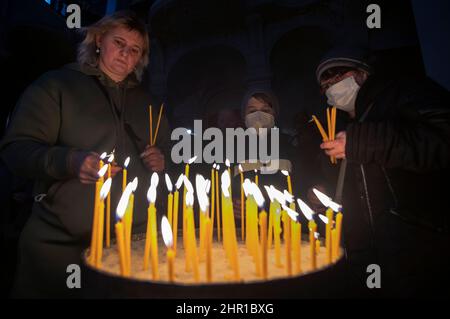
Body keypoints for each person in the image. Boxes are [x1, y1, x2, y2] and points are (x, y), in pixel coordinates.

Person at [0, 11, 170, 298]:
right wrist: (69, 161)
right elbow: (16, 149)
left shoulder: (150, 103)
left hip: (131, 244)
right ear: (99, 40)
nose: (125, 53)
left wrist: (163, 160)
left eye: (135, 50)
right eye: (119, 42)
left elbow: (170, 155)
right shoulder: (56, 86)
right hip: (62, 244)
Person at [315, 47, 450, 297]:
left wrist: (362, 143)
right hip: (371, 258)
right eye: (324, 83)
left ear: (363, 72)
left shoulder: (403, 91)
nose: (330, 85)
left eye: (336, 74)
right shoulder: (346, 126)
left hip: (421, 253)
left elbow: (442, 140)